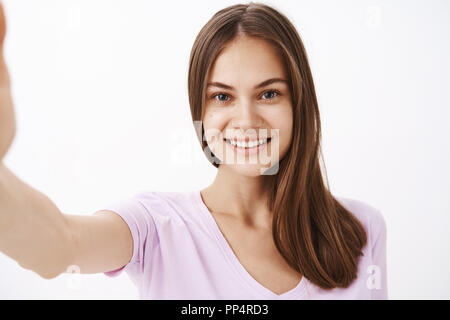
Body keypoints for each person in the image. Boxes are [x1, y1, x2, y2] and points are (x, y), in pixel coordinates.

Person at [0, 2, 387, 299]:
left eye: (269, 93)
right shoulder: (155, 226)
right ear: (199, 110)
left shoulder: (360, 229)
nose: (246, 120)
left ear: (298, 103)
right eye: (222, 96)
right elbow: (58, 246)